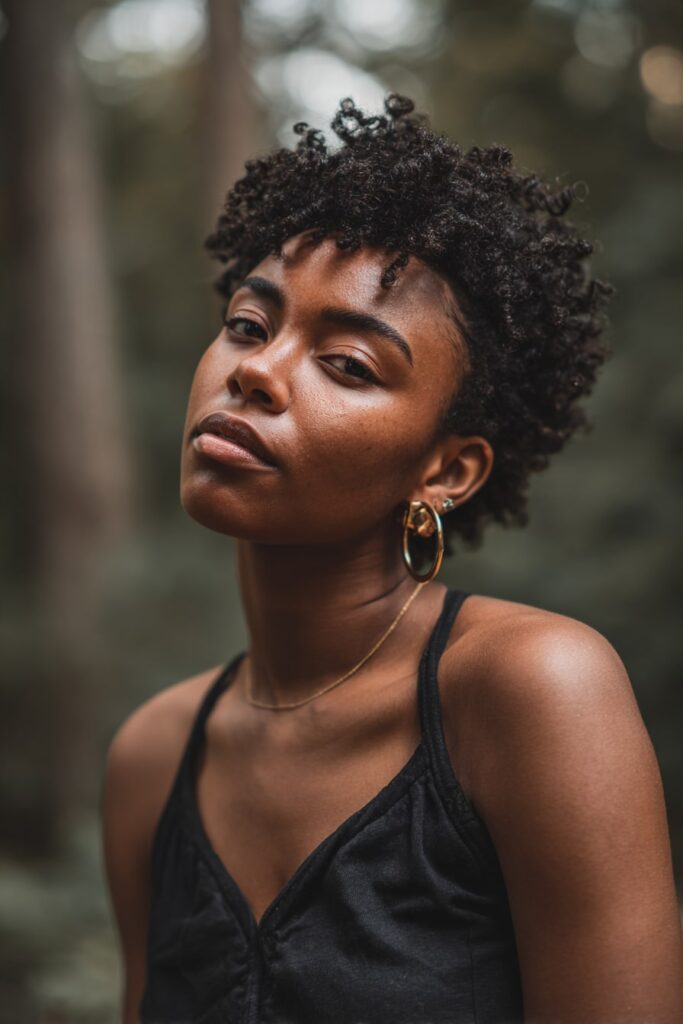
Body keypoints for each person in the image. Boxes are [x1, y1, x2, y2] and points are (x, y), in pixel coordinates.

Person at [101, 94, 683, 1024]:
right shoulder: (152, 754)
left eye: (348, 365)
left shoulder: (531, 690)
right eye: (249, 325)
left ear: (446, 469)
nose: (253, 370)